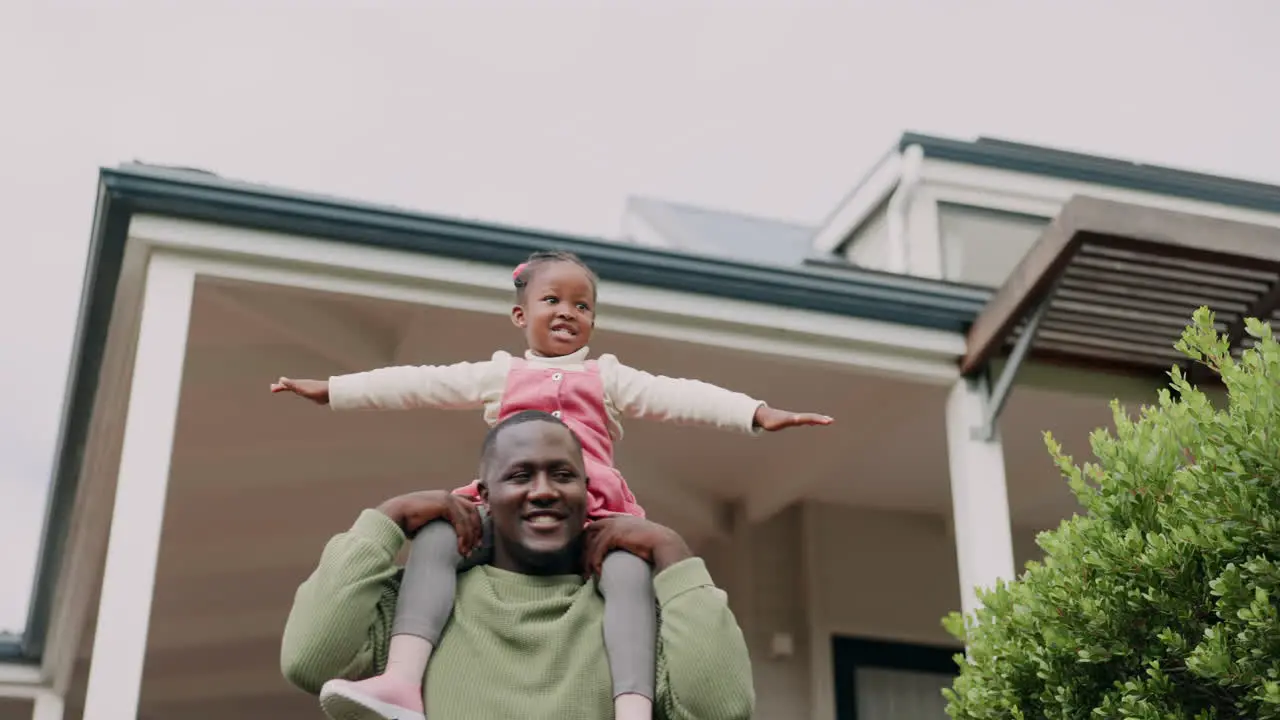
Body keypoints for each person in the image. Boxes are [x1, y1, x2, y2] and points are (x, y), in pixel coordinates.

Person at [272, 250, 830, 720]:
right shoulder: (499, 374)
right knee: (437, 539)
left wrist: (753, 413)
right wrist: (338, 395)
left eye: (581, 305)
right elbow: (419, 383)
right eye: (552, 301)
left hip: (604, 522)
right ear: (520, 315)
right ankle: (401, 676)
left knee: (630, 579)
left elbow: (679, 394)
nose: (568, 313)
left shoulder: (607, 377)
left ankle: (630, 709)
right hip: (469, 546)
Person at [280, 410, 755, 720]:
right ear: (484, 496)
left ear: (587, 493)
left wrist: (674, 554)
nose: (544, 490)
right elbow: (309, 661)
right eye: (521, 475)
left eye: (563, 475)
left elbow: (722, 710)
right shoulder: (420, 611)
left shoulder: (630, 620)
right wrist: (387, 520)